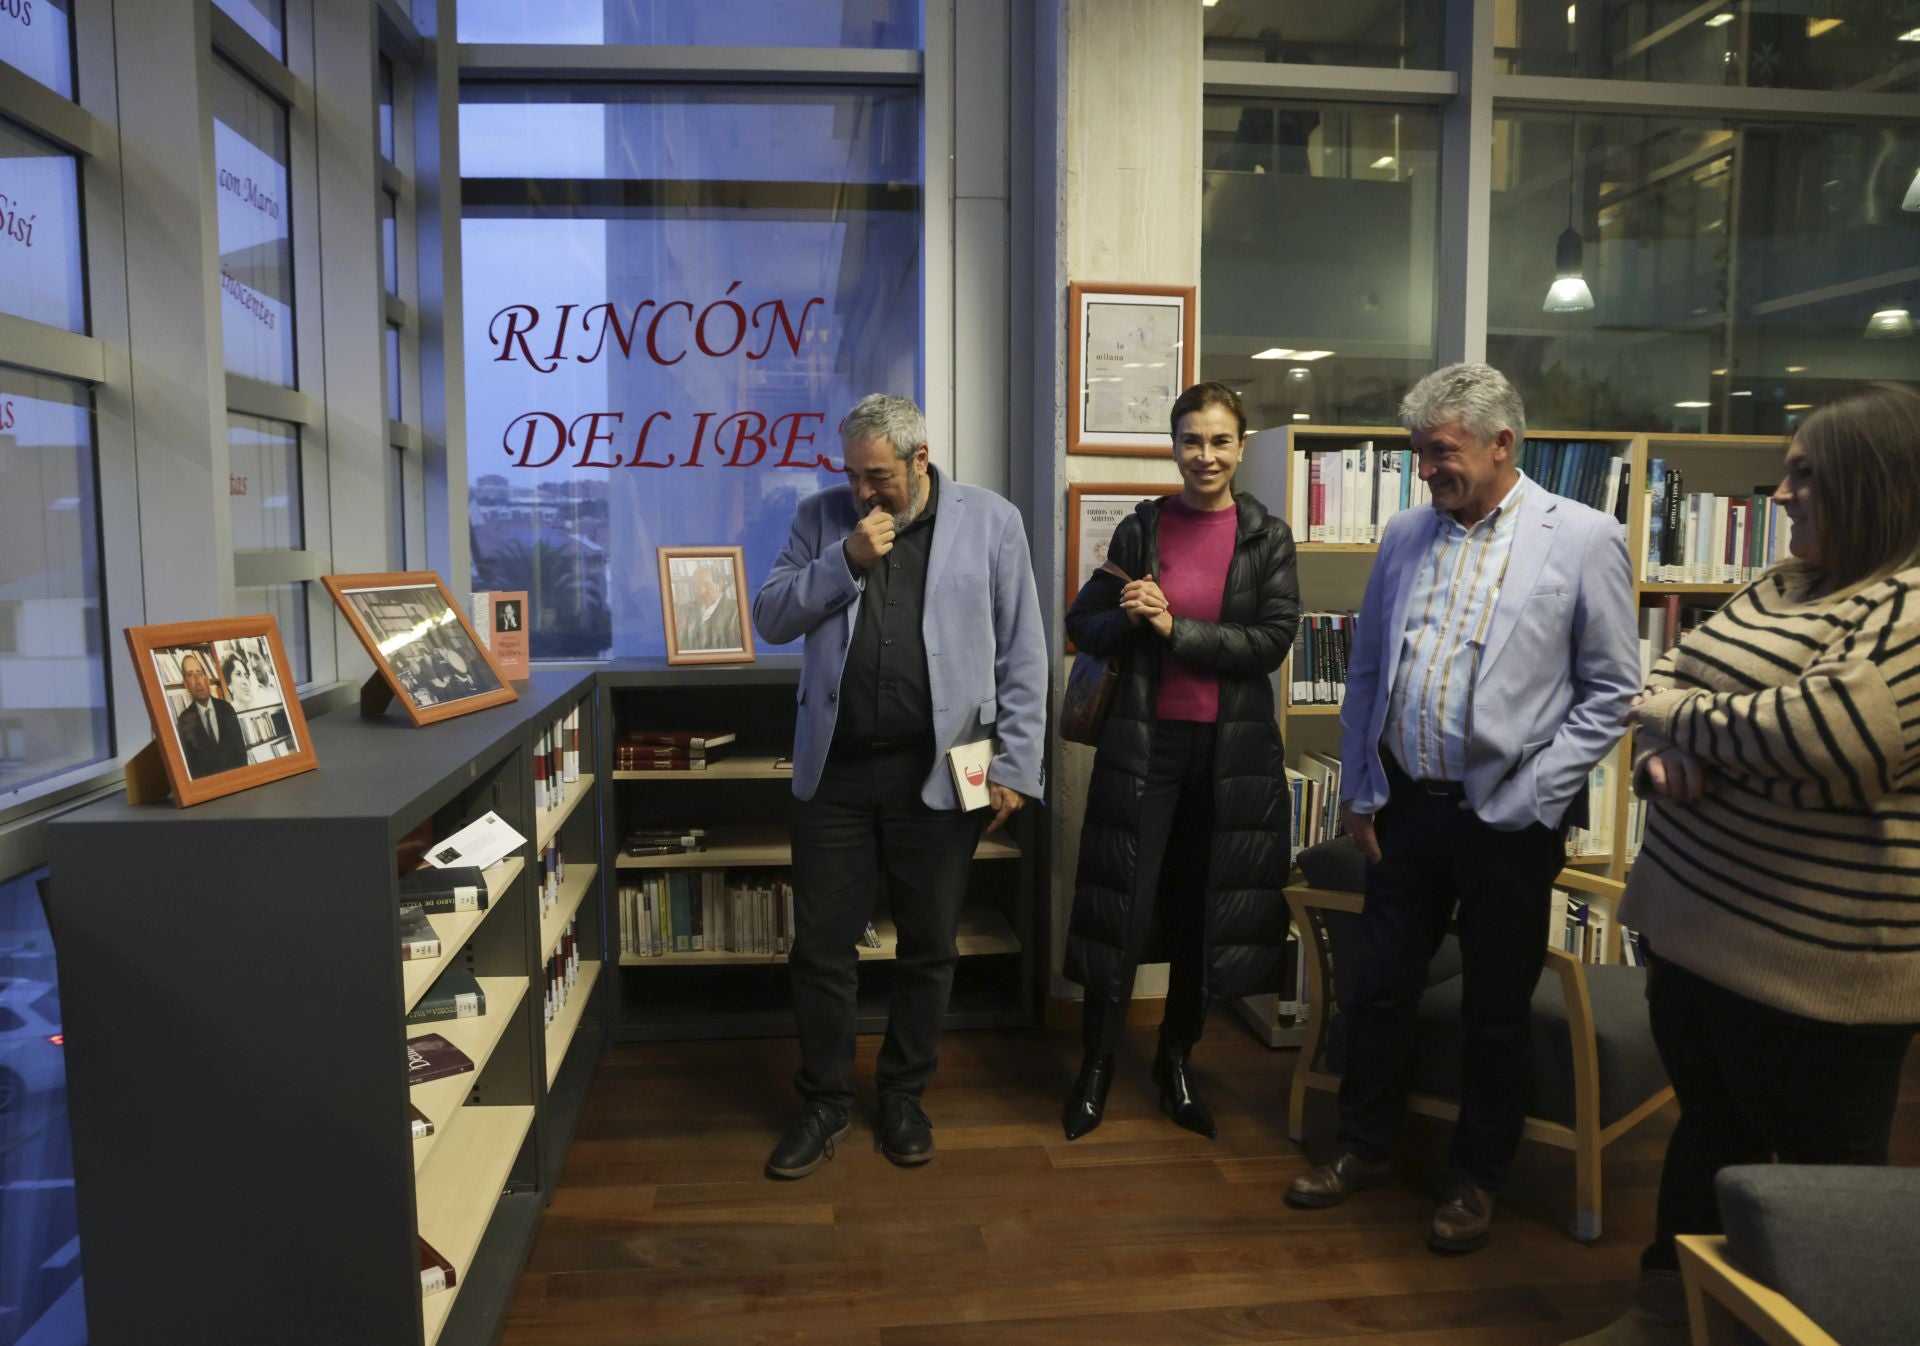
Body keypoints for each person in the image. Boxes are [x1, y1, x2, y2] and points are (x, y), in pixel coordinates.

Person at [1566, 384, 1920, 1346]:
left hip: (1815, 971)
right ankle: (1667, 1312)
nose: (1782, 492)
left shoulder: (1909, 602)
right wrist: (1661, 751)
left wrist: (1684, 731)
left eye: (1806, 474)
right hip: (1691, 935)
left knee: (1822, 1187)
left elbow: (1835, 745)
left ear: (1872, 483)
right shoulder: (1778, 585)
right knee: (1709, 1135)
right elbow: (1665, 674)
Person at [1285, 363, 1639, 1254]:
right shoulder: (1407, 532)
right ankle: (1363, 1147)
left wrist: (1534, 797)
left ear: (1501, 443)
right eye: (1417, 454)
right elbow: (1367, 668)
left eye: (1440, 453)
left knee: (1494, 1005)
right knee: (1382, 985)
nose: (1425, 472)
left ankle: (1477, 1178)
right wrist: (1363, 788)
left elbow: (1612, 690)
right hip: (1405, 809)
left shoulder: (1584, 539)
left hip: (1507, 823)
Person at [751, 392, 1047, 1179]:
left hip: (940, 770)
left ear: (920, 461)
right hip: (837, 772)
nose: (864, 492)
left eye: (878, 476)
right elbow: (771, 616)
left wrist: (1015, 765)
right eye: (853, 475)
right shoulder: (822, 520)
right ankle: (824, 1102)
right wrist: (845, 558)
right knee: (819, 949)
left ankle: (905, 1094)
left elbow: (1024, 649)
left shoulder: (991, 520)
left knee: (928, 946)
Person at [1059, 381, 1300, 1142]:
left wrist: (1176, 629)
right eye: (1192, 440)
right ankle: (1095, 1068)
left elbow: (1271, 642)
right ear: (1173, 445)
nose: (1206, 455)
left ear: (1241, 445)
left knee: (1204, 911)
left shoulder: (1267, 537)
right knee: (1121, 912)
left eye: (1220, 441)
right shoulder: (1142, 529)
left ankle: (1176, 1062)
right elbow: (1082, 623)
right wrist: (1132, 621)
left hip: (1230, 758)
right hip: (1144, 749)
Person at [173, 650, 249, 777]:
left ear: (207, 679)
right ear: (185, 684)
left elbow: (241, 753)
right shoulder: (185, 719)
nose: (197, 681)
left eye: (199, 673)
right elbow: (191, 766)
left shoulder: (227, 709)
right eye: (191, 675)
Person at [677, 562, 742, 652]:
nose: (701, 591)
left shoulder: (737, 611)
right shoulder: (686, 611)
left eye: (706, 585)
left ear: (720, 584)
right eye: (696, 586)